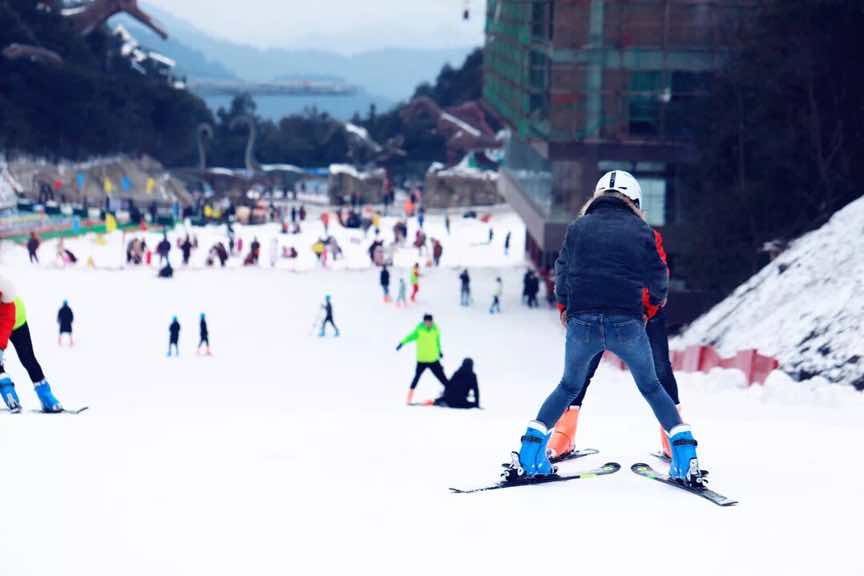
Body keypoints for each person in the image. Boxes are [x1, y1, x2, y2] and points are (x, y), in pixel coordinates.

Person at [513, 170, 703, 487]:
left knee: (568, 386)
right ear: (634, 201)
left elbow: (562, 272)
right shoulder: (641, 230)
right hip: (627, 321)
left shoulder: (578, 228)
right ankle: (684, 455)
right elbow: (659, 278)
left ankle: (529, 452)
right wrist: (649, 309)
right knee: (652, 387)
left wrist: (565, 309)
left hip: (582, 323)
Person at [547, 223, 682, 461]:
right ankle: (564, 434)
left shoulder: (645, 234)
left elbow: (657, 273)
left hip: (639, 312)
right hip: (599, 309)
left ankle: (673, 438)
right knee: (580, 374)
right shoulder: (589, 231)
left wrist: (647, 309)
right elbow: (570, 271)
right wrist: (568, 306)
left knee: (660, 371)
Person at [0, 274, 63, 412]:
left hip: (17, 321)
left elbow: (4, 328)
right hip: (9, 319)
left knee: (27, 358)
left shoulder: (9, 305)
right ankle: (10, 395)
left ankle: (46, 396)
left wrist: (0, 348)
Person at [396, 313, 448, 405]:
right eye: (427, 322)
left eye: (430, 321)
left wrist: (439, 351)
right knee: (416, 378)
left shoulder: (435, 330)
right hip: (422, 360)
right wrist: (402, 343)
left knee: (442, 377)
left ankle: (452, 393)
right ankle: (409, 398)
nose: (429, 323)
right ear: (424, 322)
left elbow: (437, 341)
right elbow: (410, 337)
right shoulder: (419, 330)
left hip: (433, 359)